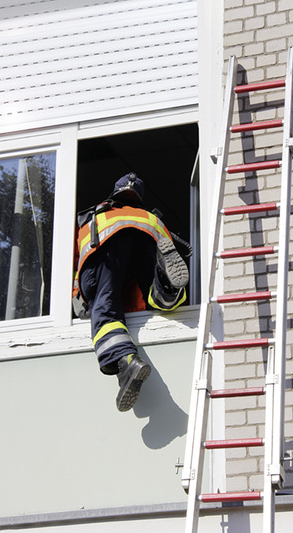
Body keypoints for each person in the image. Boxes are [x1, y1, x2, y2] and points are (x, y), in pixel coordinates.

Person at [73, 173, 191, 412]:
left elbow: (76, 261)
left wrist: (81, 296)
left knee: (104, 309)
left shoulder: (98, 214)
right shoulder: (151, 218)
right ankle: (167, 286)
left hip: (104, 244)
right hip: (147, 238)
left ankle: (125, 360)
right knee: (155, 293)